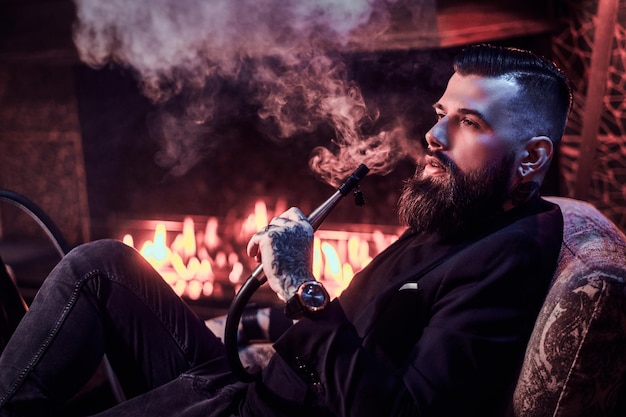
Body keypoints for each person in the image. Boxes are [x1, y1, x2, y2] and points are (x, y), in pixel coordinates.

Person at [0, 43, 571, 417]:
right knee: (99, 266)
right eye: (441, 113)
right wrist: (253, 317)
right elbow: (369, 310)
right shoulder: (462, 209)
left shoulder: (508, 258)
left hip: (266, 411)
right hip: (257, 384)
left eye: (468, 122)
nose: (434, 135)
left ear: (530, 157)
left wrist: (301, 283)